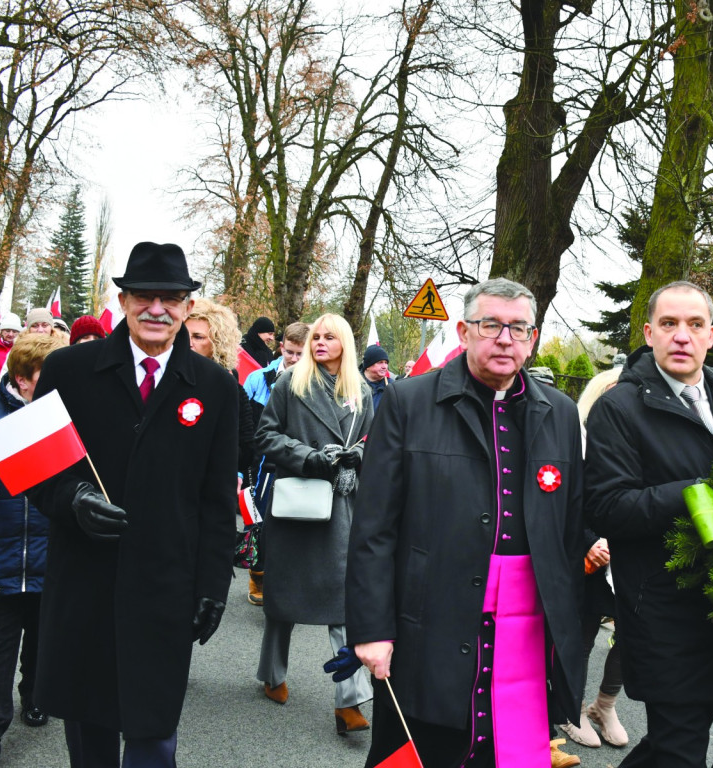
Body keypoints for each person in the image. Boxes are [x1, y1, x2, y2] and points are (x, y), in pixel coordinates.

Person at [347, 277, 586, 768]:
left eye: (518, 328)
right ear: (463, 331)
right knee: (417, 752)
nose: (505, 339)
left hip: (522, 636)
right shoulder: (408, 401)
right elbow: (373, 529)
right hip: (429, 623)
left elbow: (569, 526)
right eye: (491, 325)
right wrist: (373, 630)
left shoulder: (559, 413)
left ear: (533, 338)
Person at [27, 241, 239, 768]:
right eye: (144, 295)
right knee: (90, 735)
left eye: (171, 298)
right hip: (85, 584)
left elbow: (216, 501)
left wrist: (214, 585)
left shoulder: (215, 386)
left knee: (153, 736)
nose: (157, 309)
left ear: (189, 307)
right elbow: (37, 474)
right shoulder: (69, 371)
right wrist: (73, 498)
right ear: (122, 301)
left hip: (165, 589)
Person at [584, 281, 713, 768]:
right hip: (661, 608)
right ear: (649, 332)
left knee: (672, 744)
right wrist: (697, 493)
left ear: (712, 335)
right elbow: (607, 506)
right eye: (669, 324)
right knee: (680, 750)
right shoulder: (619, 408)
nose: (682, 335)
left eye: (695, 324)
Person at [254, 313, 374, 734]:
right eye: (316, 337)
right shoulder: (290, 383)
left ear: (345, 342)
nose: (320, 342)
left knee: (345, 604)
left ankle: (349, 701)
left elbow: (372, 440)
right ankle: (272, 675)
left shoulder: (360, 390)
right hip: (299, 506)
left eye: (329, 336)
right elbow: (265, 436)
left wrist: (359, 455)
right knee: (283, 602)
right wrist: (309, 456)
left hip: (343, 507)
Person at [0, 333, 64, 768]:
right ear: (23, 378)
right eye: (49, 377)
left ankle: (35, 696)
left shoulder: (68, 419)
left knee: (43, 643)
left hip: (52, 556)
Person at [561, 367, 628, 752]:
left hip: (627, 554)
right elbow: (568, 501)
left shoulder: (640, 438)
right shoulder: (578, 437)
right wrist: (589, 542)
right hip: (587, 554)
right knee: (582, 636)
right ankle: (569, 710)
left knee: (629, 635)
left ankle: (604, 706)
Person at [242, 321, 310, 607]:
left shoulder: (314, 383)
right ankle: (258, 576)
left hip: (297, 461)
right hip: (262, 463)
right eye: (290, 352)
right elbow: (244, 423)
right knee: (260, 522)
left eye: (299, 355)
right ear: (281, 346)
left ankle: (290, 583)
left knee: (296, 522)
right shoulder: (259, 378)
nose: (294, 359)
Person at [186, 298, 256, 483]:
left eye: (198, 337)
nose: (188, 343)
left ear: (217, 343)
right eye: (182, 335)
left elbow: (246, 451)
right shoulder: (161, 380)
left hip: (209, 487)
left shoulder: (231, 388)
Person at [361, 345, 390, 410]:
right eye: (380, 362)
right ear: (368, 366)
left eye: (386, 363)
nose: (384, 366)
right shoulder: (352, 384)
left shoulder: (391, 387)